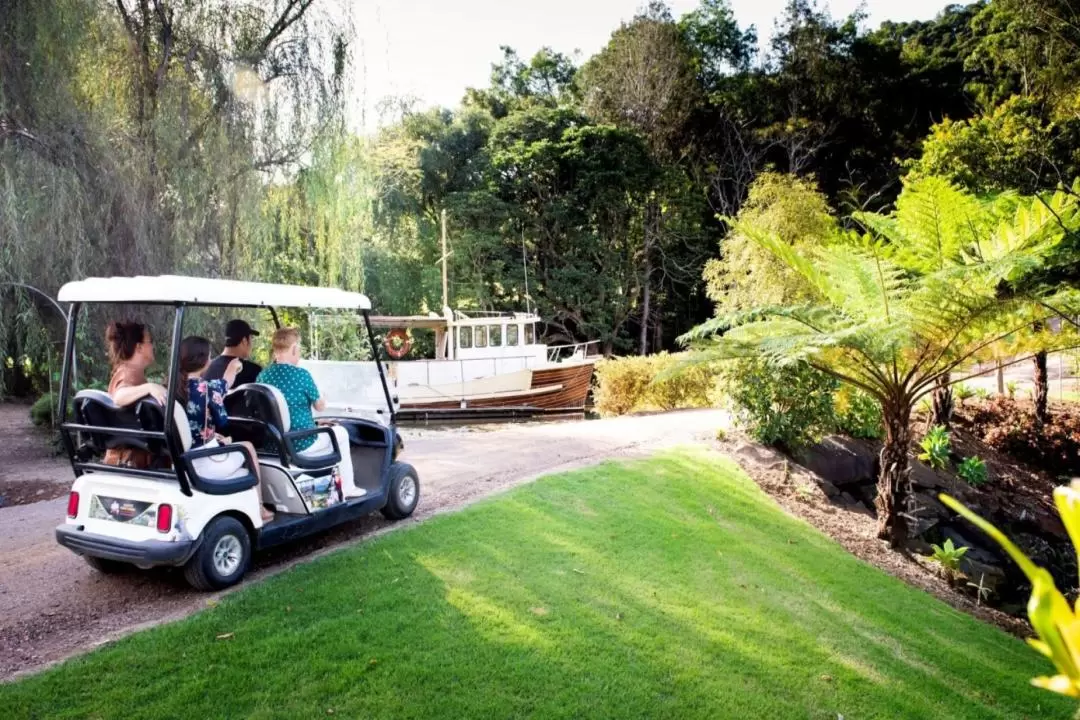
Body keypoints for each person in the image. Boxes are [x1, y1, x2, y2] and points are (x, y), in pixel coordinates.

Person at [176, 336, 274, 523]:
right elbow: (222, 421)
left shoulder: (172, 388)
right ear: (204, 360)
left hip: (183, 458)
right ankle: (260, 507)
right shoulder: (207, 389)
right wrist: (232, 371)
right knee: (247, 448)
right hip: (205, 462)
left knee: (230, 443)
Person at [257, 327, 354, 489]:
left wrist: (315, 422)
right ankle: (349, 488)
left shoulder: (263, 375)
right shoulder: (301, 375)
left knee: (325, 429)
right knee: (341, 433)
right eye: (299, 348)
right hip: (301, 443)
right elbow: (320, 406)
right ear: (294, 348)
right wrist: (324, 395)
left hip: (274, 444)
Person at [103, 320, 168, 469]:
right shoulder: (127, 374)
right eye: (150, 342)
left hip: (134, 460)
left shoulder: (133, 373)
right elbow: (119, 397)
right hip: (130, 462)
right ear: (139, 347)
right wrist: (149, 387)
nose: (152, 346)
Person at [203, 319, 262, 388]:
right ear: (244, 341)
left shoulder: (208, 367)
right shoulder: (254, 371)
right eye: (251, 338)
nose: (252, 344)